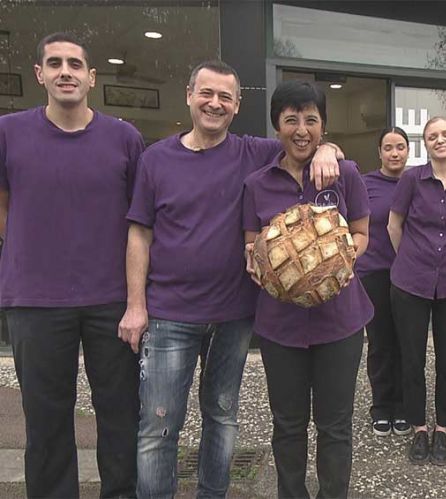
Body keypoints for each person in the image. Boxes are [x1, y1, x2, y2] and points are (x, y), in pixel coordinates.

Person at [120, 63, 341, 497]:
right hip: (169, 313)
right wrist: (135, 305)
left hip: (234, 314)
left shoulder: (253, 152)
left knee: (222, 417)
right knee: (158, 424)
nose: (214, 103)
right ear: (189, 96)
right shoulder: (156, 159)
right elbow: (139, 234)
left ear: (237, 106)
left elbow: (301, 138)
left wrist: (328, 149)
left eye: (225, 97)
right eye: (207, 93)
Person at [0, 32, 143, 498]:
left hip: (111, 300)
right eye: (55, 63)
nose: (66, 71)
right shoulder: (9, 132)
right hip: (35, 299)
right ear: (39, 74)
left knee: (120, 414)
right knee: (45, 418)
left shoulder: (125, 138)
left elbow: (139, 218)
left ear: (91, 77)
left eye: (76, 64)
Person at [243, 80, 373, 498]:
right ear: (277, 127)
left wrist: (346, 260)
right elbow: (250, 242)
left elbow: (362, 233)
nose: (302, 129)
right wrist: (255, 259)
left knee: (335, 423)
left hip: (341, 321)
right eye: (291, 119)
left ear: (323, 128)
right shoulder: (257, 183)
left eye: (311, 120)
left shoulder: (345, 174)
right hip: (280, 326)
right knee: (288, 422)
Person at [387, 116, 446, 466]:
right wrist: (413, 259)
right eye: (432, 136)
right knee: (412, 358)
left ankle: (442, 429)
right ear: (424, 144)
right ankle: (419, 428)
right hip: (410, 281)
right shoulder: (412, 179)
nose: (439, 140)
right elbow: (394, 224)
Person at [357, 127, 411, 437]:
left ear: (407, 151)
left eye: (400, 147)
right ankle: (381, 405)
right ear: (379, 152)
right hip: (374, 271)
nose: (394, 153)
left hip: (409, 274)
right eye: (388, 147)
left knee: (406, 342)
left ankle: (403, 405)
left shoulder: (417, 182)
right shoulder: (365, 184)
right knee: (379, 342)